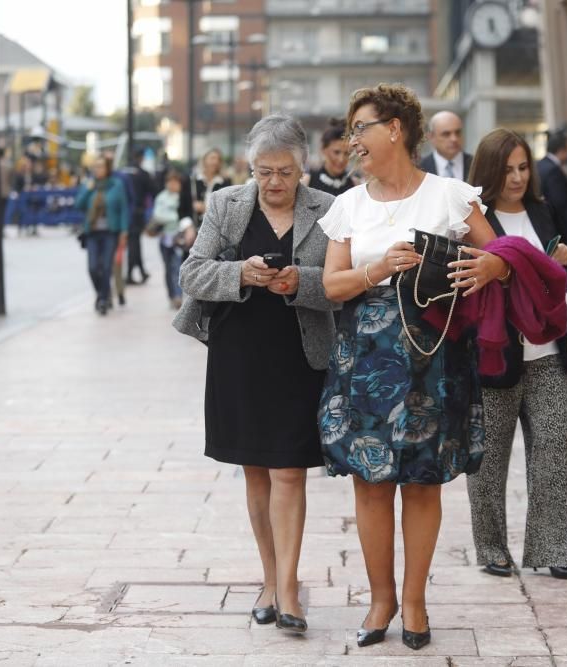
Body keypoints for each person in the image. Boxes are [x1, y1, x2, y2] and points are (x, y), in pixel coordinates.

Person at [318, 84, 509, 650]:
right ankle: (380, 600)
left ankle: (416, 604)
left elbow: (501, 256)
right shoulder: (346, 205)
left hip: (434, 357)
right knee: (371, 483)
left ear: (394, 129)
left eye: (361, 128)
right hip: (366, 360)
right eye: (350, 131)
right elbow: (331, 285)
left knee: (423, 485)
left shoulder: (451, 195)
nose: (353, 141)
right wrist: (377, 269)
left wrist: (484, 271)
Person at [173, 114, 337, 634]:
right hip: (239, 355)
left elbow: (338, 283)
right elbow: (192, 272)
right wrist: (240, 273)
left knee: (290, 470)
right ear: (251, 167)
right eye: (264, 171)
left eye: (285, 172)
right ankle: (269, 579)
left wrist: (299, 283)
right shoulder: (226, 205)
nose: (274, 182)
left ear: (303, 167)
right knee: (257, 472)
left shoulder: (328, 210)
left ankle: (288, 589)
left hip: (299, 356)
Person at [464, 128, 567, 580]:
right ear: (490, 171)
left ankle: (553, 549)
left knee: (552, 453)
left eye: (523, 167)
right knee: (489, 463)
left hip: (549, 354)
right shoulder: (471, 221)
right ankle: (492, 549)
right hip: (494, 358)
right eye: (507, 169)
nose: (517, 178)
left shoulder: (543, 211)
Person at [74, 155, 129, 315]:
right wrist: (88, 190)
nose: (98, 170)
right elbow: (78, 205)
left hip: (110, 232)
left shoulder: (116, 185)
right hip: (92, 232)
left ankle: (104, 299)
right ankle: (100, 293)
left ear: (107, 168)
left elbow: (123, 208)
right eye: (95, 167)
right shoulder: (89, 185)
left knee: (106, 267)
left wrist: (124, 230)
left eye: (101, 166)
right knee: (92, 268)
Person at [149, 169, 189, 309]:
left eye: (175, 182)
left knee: (178, 266)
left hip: (180, 238)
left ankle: (178, 295)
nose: (172, 185)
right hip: (165, 238)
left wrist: (172, 216)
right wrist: (175, 217)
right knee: (167, 267)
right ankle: (172, 295)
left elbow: (185, 215)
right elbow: (158, 215)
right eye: (170, 182)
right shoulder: (161, 197)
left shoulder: (184, 197)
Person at [123, 150, 157, 284]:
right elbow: (154, 191)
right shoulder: (143, 174)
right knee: (134, 243)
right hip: (137, 212)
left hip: (125, 212)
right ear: (141, 158)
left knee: (133, 243)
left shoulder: (124, 173)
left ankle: (136, 272)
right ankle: (135, 272)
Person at [305, 118, 356, 196]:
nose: (341, 159)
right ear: (323, 150)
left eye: (346, 153)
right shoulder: (307, 181)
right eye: (336, 152)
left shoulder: (355, 185)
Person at [418, 110, 472, 180]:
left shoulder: (476, 164)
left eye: (458, 132)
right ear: (431, 137)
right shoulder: (419, 168)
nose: (454, 139)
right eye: (446, 134)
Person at [192, 148, 233, 223]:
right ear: (204, 160)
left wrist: (205, 208)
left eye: (218, 159)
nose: (215, 162)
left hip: (216, 226)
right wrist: (188, 227)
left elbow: (228, 208)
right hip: (195, 225)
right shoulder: (193, 181)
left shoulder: (226, 182)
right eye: (212, 158)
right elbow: (183, 208)